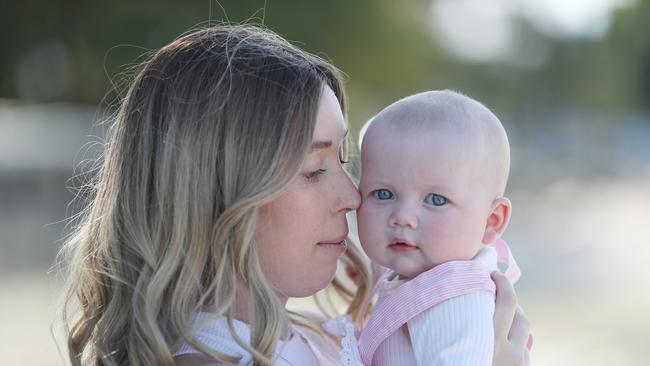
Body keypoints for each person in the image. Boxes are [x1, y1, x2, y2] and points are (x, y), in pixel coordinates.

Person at [59, 25, 530, 366]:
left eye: (345, 162)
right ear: (219, 194)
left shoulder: (318, 340)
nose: (353, 196)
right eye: (313, 169)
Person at [344, 90, 524, 365]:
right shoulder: (433, 276)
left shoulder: (456, 300)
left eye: (436, 200)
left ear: (492, 221)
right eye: (382, 194)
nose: (402, 217)